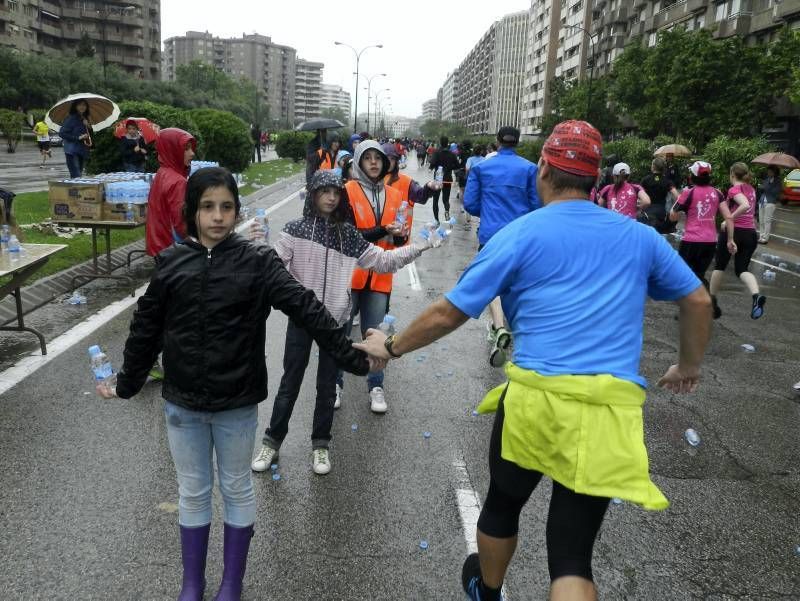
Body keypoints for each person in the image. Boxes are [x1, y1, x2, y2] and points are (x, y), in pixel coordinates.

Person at [353, 120, 712, 601]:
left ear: (543, 167)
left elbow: (450, 311)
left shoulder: (519, 236)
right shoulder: (639, 237)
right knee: (571, 557)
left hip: (534, 401)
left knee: (503, 504)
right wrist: (687, 366)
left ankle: (490, 589)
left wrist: (390, 347)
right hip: (607, 410)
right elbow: (698, 301)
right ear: (597, 176)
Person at [251, 171, 435, 476]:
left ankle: (321, 445)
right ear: (313, 194)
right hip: (301, 319)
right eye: (324, 191)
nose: (331, 197)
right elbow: (273, 269)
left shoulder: (348, 235)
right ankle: (272, 440)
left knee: (326, 387)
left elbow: (383, 261)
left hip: (334, 323)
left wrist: (421, 246)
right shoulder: (294, 229)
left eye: (336, 192)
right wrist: (260, 243)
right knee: (290, 382)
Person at [336, 141, 406, 414]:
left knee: (376, 335)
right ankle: (335, 383)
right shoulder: (347, 191)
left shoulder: (394, 194)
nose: (374, 162)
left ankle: (376, 386)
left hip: (380, 277)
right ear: (359, 162)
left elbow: (399, 241)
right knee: (341, 334)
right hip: (350, 276)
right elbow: (349, 236)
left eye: (378, 158)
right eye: (368, 158)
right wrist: (382, 231)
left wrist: (400, 237)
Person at [463, 126, 539, 368]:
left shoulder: (481, 168)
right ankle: (524, 339)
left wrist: (488, 211)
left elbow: (470, 204)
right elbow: (537, 204)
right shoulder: (529, 168)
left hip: (491, 236)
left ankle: (499, 327)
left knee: (493, 283)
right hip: (521, 235)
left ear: (497, 142)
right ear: (517, 143)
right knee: (518, 285)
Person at [709, 162, 766, 320]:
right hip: (750, 233)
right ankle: (756, 296)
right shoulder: (752, 189)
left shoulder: (735, 189)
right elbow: (750, 208)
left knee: (719, 265)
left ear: (732, 174)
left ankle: (711, 302)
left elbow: (745, 205)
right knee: (742, 269)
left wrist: (729, 218)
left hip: (735, 231)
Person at [668, 161, 727, 287]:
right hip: (710, 241)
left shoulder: (688, 192)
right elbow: (728, 216)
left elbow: (673, 216)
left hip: (691, 241)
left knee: (684, 276)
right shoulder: (717, 193)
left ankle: (702, 301)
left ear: (692, 176)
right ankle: (706, 301)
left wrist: (680, 211)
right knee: (699, 275)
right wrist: (731, 238)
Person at [145, 128, 196, 257]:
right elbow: (181, 222)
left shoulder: (162, 172)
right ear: (173, 150)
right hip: (172, 248)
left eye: (191, 148)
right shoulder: (178, 182)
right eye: (186, 149)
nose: (192, 153)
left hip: (158, 245)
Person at [640, 157, 678, 233]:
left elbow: (639, 195)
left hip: (647, 213)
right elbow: (677, 196)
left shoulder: (645, 180)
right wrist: (673, 210)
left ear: (653, 166)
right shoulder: (667, 181)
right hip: (661, 213)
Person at [428, 136, 461, 223]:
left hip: (438, 179)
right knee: (446, 199)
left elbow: (432, 163)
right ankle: (446, 212)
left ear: (440, 142)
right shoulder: (452, 154)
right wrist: (450, 167)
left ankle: (437, 220)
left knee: (435, 200)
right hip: (447, 179)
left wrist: (432, 167)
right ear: (447, 143)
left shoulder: (437, 152)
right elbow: (457, 166)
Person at [59, 99, 92, 178]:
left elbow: (88, 135)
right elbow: (62, 133)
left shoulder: (84, 119)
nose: (82, 107)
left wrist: (88, 126)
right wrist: (78, 137)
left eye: (84, 105)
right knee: (76, 175)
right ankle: (75, 190)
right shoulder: (71, 118)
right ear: (75, 106)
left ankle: (76, 190)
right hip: (72, 151)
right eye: (80, 105)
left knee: (79, 175)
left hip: (81, 150)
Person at [757, 165, 782, 243]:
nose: (768, 172)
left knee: (767, 220)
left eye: (770, 171)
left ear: (774, 172)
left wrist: (765, 187)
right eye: (768, 171)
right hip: (762, 201)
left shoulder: (778, 181)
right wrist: (762, 187)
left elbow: (776, 192)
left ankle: (765, 238)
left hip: (770, 202)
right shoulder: (766, 179)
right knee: (761, 220)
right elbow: (762, 189)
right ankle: (761, 236)